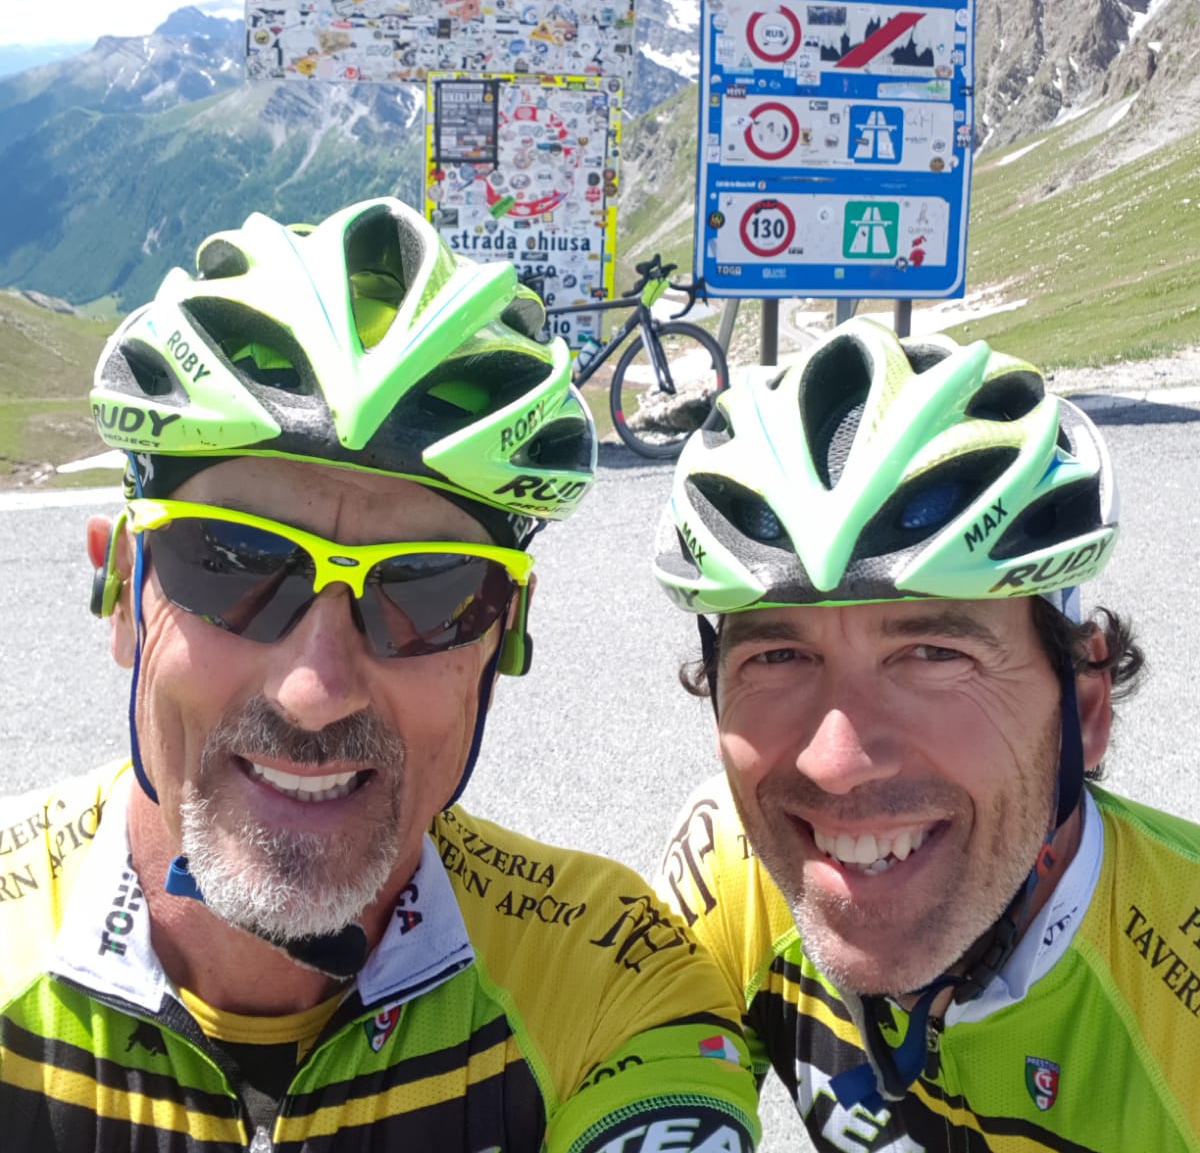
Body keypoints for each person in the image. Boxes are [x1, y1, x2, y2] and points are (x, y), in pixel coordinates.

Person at [0, 197, 760, 1153]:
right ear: (120, 588)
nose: (315, 691)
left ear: (504, 638)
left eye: (429, 589)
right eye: (233, 561)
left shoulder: (615, 979)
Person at [652, 316, 1200, 1150]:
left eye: (935, 654)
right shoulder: (738, 865)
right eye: (778, 656)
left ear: (1085, 707)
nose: (836, 765)